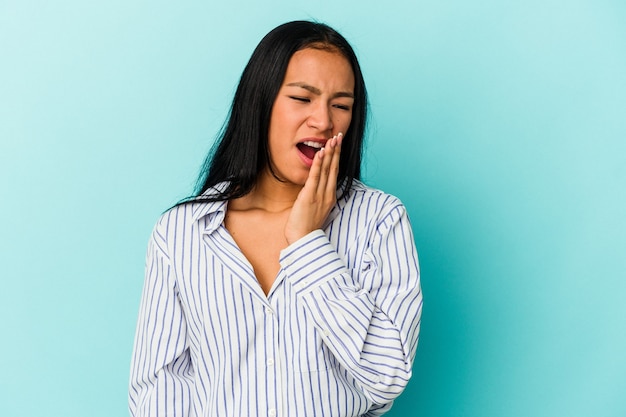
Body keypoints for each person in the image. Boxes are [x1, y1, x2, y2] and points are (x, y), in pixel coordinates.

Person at [129, 20, 422, 417]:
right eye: (303, 98)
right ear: (260, 102)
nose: (323, 121)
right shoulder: (182, 233)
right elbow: (160, 387)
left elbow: (387, 375)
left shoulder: (380, 220)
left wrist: (307, 243)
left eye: (341, 105)